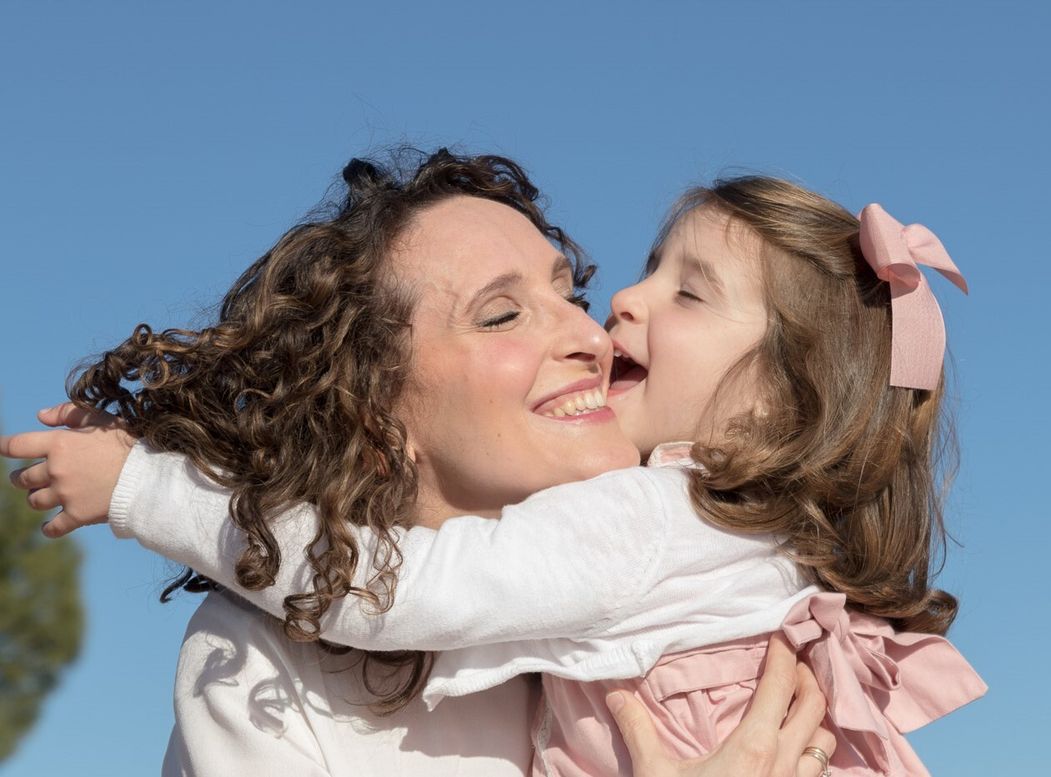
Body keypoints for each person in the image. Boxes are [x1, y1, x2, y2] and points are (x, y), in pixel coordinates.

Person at [10, 163, 985, 775]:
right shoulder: (264, 670)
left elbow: (396, 594)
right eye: (502, 313)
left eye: (570, 293)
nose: (601, 323)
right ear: (377, 416)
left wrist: (143, 486)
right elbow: (382, 590)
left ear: (777, 401)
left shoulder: (649, 532)